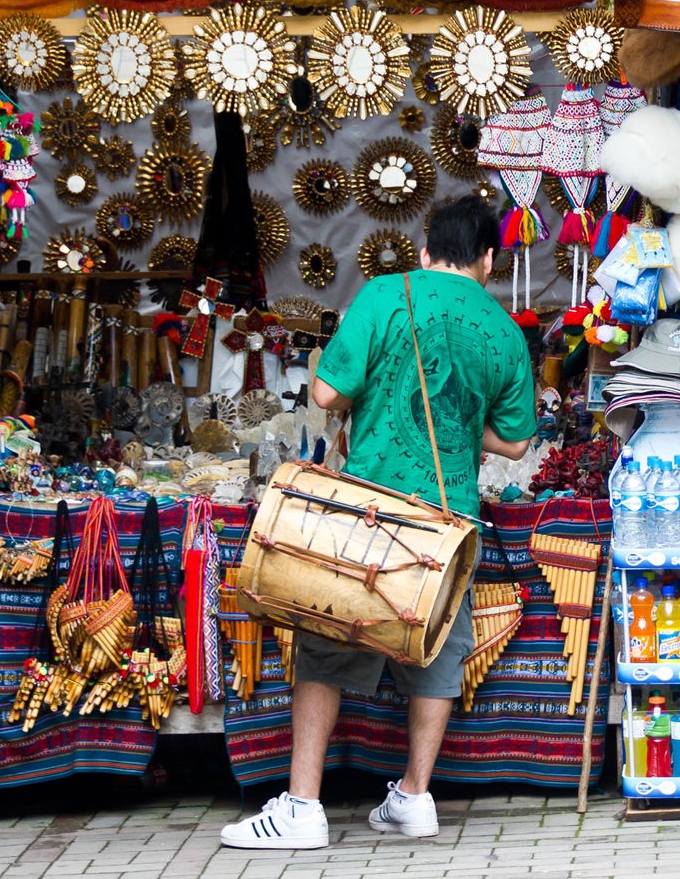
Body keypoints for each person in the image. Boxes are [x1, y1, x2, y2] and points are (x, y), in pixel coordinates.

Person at [220, 195, 535, 849]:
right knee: (437, 652)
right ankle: (415, 795)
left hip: (371, 511)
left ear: (424, 250)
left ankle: (303, 807)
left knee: (327, 642)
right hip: (450, 522)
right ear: (488, 259)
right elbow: (513, 443)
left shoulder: (386, 294)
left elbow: (328, 393)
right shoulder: (504, 329)